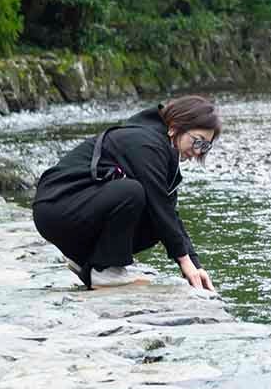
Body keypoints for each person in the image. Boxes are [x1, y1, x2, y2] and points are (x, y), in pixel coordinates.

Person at [32, 95, 219, 292]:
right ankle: (105, 270)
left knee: (156, 223)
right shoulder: (145, 143)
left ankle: (88, 261)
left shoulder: (162, 150)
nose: (199, 152)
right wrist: (184, 262)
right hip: (56, 206)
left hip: (72, 210)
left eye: (205, 146)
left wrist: (196, 266)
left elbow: (170, 214)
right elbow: (159, 204)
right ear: (174, 126)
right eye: (197, 141)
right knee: (133, 193)